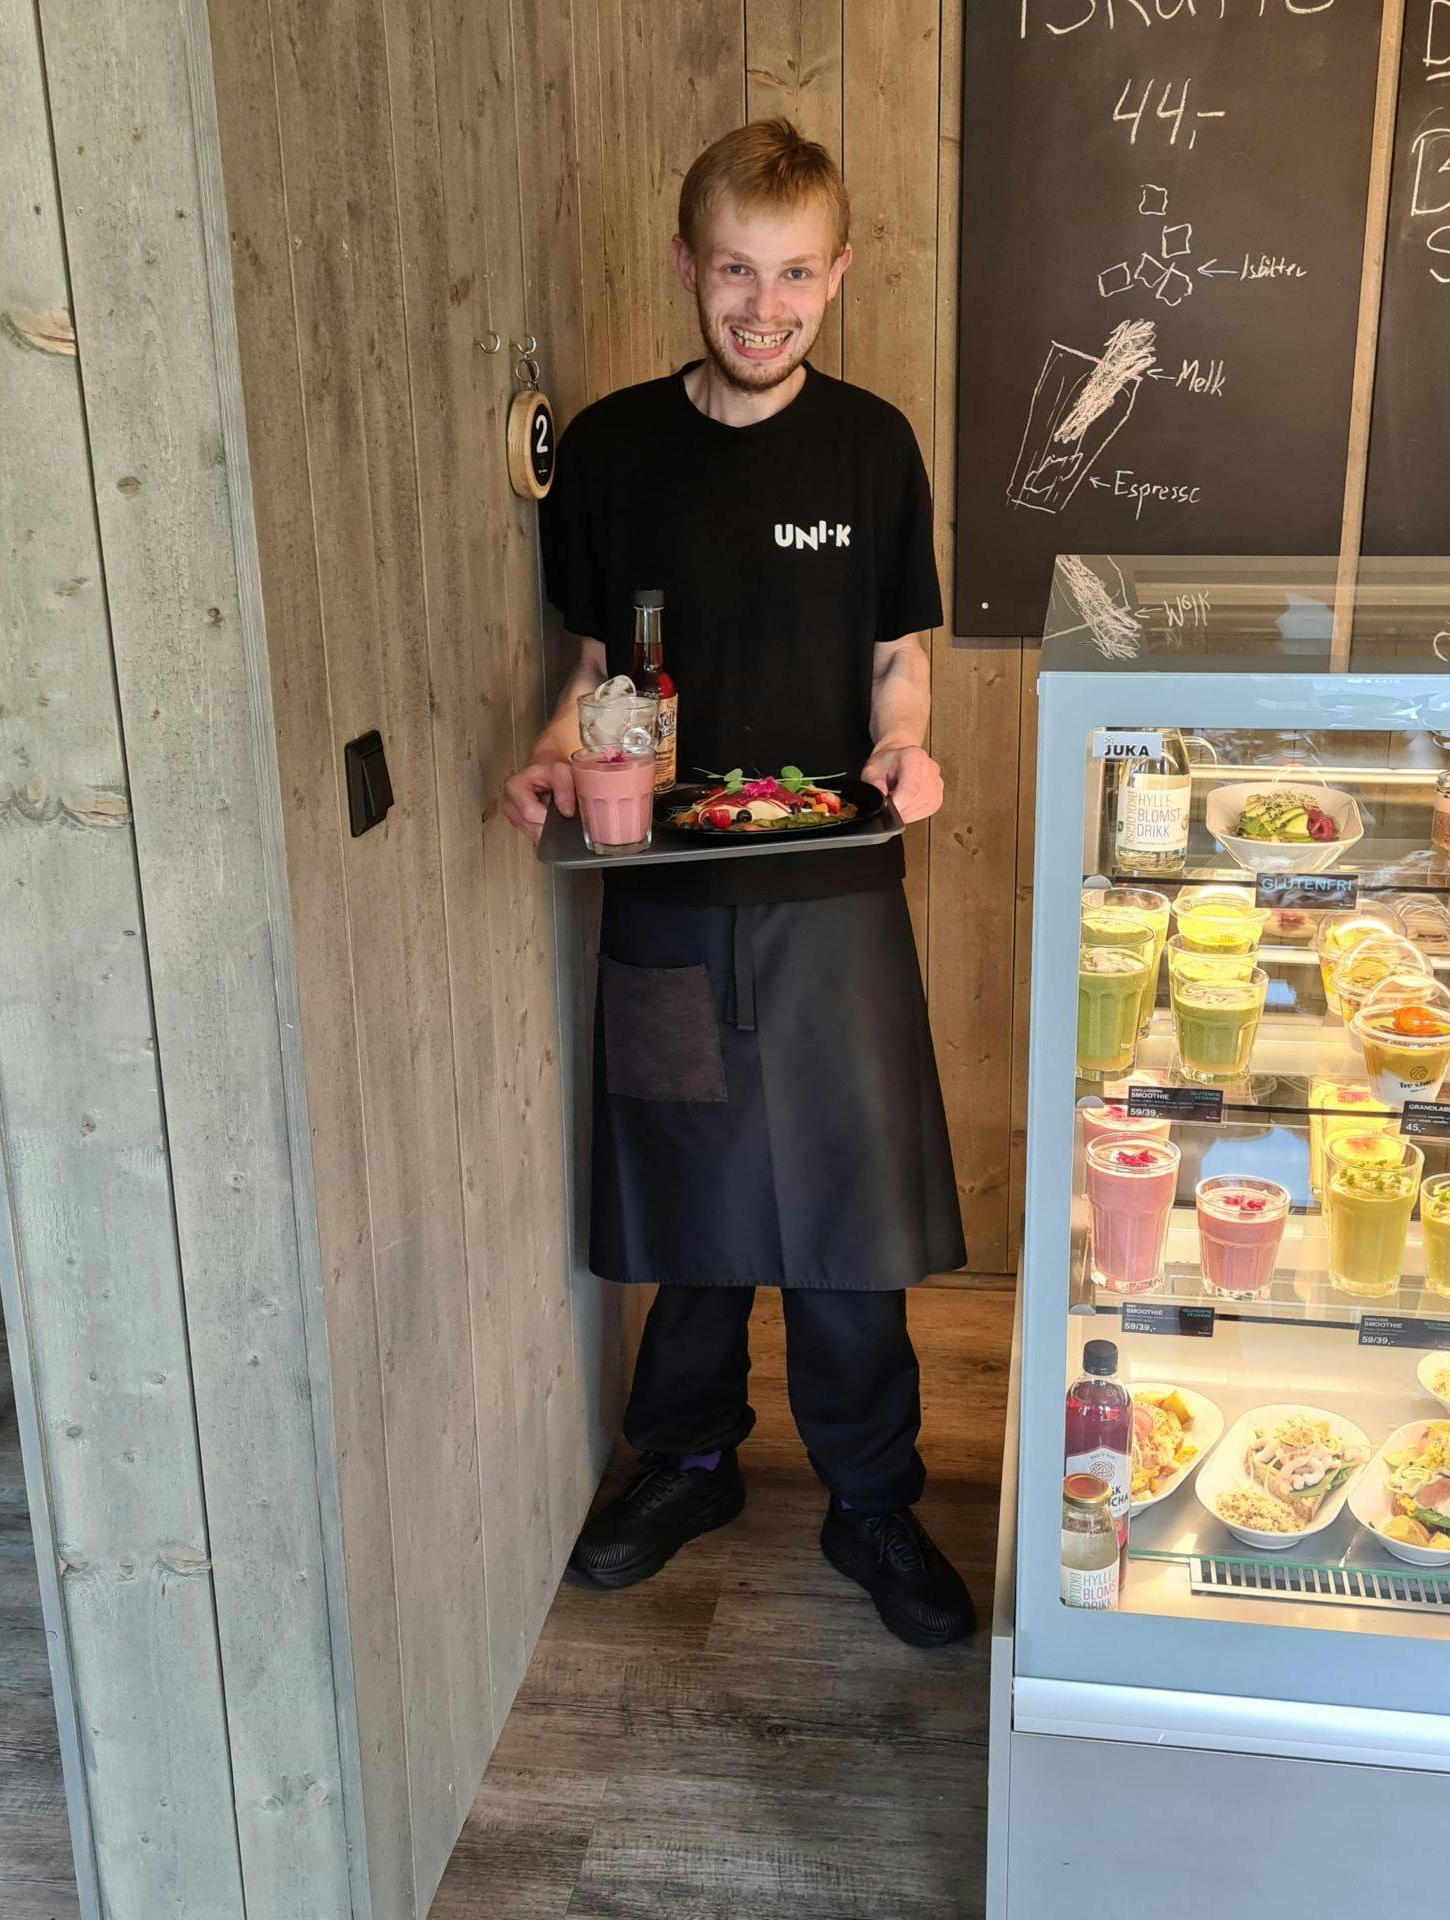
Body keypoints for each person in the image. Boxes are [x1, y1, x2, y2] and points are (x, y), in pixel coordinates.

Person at [501, 119, 974, 1648]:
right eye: (734, 272)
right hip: (665, 896)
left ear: (837, 274)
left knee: (849, 1210)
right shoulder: (616, 452)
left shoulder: (873, 447)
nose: (763, 308)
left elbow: (899, 658)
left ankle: (871, 1496)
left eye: (793, 275)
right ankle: (688, 1461)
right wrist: (551, 758)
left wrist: (905, 747)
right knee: (686, 1191)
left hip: (836, 893)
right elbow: (597, 672)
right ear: (688, 267)